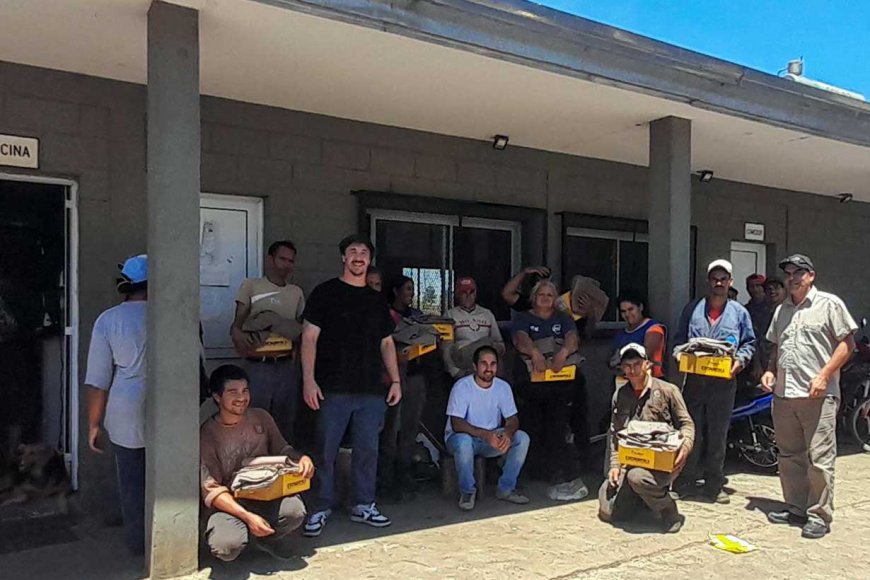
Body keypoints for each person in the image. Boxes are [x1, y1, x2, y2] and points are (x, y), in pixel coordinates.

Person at [300, 234, 402, 537]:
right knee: (325, 451)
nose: (358, 257)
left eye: (364, 252)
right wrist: (308, 379)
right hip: (331, 388)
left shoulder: (376, 300)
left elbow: (386, 342)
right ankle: (319, 507)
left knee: (367, 450)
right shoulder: (325, 293)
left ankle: (363, 504)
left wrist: (395, 380)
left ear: (369, 260)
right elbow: (309, 338)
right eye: (352, 252)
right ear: (343, 258)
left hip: (371, 390)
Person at [761, 254, 857, 539]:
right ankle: (796, 507)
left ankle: (819, 514)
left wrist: (825, 375)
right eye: (788, 273)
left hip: (818, 396)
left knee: (819, 458)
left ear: (811, 276)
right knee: (790, 455)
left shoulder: (830, 304)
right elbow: (776, 348)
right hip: (784, 395)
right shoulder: (782, 310)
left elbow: (846, 344)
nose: (792, 278)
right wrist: (769, 371)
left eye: (798, 273)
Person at [200, 364, 315, 562]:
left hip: (265, 495)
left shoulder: (261, 417)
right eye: (233, 392)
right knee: (227, 548)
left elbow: (283, 449)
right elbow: (211, 490)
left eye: (245, 391)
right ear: (217, 397)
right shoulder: (207, 434)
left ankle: (265, 539)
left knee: (295, 511)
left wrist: (302, 459)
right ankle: (238, 532)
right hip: (229, 504)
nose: (241, 397)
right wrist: (247, 517)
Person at [672, 259, 755, 503]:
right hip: (695, 381)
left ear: (730, 282)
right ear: (709, 281)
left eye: (723, 279)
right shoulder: (692, 309)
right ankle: (686, 480)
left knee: (718, 433)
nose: (718, 283)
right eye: (714, 278)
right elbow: (679, 339)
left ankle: (714, 484)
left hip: (723, 383)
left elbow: (749, 343)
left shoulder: (740, 313)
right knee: (690, 431)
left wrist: (740, 361)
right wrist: (679, 355)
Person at [84, 254, 148, 555]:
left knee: (132, 480)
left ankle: (139, 544)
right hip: (174, 406)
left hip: (126, 409)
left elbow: (98, 381)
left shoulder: (109, 320)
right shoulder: (179, 314)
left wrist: (94, 423)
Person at [598, 343, 694, 533]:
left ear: (647, 365)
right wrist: (615, 466)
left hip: (661, 464)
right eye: (627, 365)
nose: (632, 369)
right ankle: (644, 502)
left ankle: (668, 509)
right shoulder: (621, 394)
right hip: (631, 461)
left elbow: (687, 424)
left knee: (637, 478)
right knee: (608, 511)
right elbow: (616, 434)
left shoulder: (668, 391)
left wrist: (685, 448)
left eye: (637, 364)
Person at [230, 240, 305, 442]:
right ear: (270, 259)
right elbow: (237, 326)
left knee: (284, 423)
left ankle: (281, 469)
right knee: (254, 420)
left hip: (286, 365)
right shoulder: (252, 285)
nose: (286, 265)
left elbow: (300, 332)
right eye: (282, 259)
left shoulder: (296, 292)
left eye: (291, 261)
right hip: (257, 365)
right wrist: (241, 340)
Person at [445, 345, 530, 510]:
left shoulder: (502, 387)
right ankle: (468, 492)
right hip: (463, 438)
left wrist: (507, 432)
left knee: (522, 438)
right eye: (484, 363)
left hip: (491, 438)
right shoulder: (462, 387)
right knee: (463, 442)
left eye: (493, 364)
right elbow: (457, 423)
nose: (488, 368)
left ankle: (506, 489)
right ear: (475, 366)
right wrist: (485, 435)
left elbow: (512, 419)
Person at [512, 279, 580, 482]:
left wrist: (563, 353)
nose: (545, 298)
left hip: (558, 383)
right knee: (531, 424)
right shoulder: (523, 317)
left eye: (550, 295)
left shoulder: (563, 317)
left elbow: (572, 337)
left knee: (557, 426)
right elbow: (520, 338)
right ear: (534, 297)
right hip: (531, 383)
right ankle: (531, 470)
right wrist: (534, 353)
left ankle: (554, 470)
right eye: (541, 294)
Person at [379, 275, 427, 499]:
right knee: (391, 429)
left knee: (410, 427)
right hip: (394, 377)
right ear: (396, 291)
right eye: (407, 289)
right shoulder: (387, 314)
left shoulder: (417, 315)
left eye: (412, 289)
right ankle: (386, 478)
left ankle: (404, 473)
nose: (410, 293)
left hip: (416, 375)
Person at [443, 276, 505, 380]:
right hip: (463, 355)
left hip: (485, 359)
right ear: (457, 294)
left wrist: (495, 348)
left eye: (471, 291)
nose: (468, 295)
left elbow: (500, 344)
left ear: (476, 293)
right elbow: (446, 347)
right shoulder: (450, 314)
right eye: (464, 292)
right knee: (487, 343)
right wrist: (454, 371)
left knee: (489, 350)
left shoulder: (487, 314)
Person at [611, 292, 667, 378]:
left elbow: (646, 355)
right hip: (623, 382)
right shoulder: (621, 333)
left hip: (651, 381)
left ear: (640, 307)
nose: (627, 314)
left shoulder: (654, 328)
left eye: (631, 309)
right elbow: (611, 360)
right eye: (623, 311)